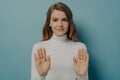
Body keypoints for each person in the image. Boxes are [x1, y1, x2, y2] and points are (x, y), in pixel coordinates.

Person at [31, 2, 89, 80]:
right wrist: (42, 75)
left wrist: (82, 76)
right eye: (55, 20)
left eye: (64, 20)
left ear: (69, 23)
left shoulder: (80, 47)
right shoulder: (39, 48)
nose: (60, 24)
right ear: (49, 23)